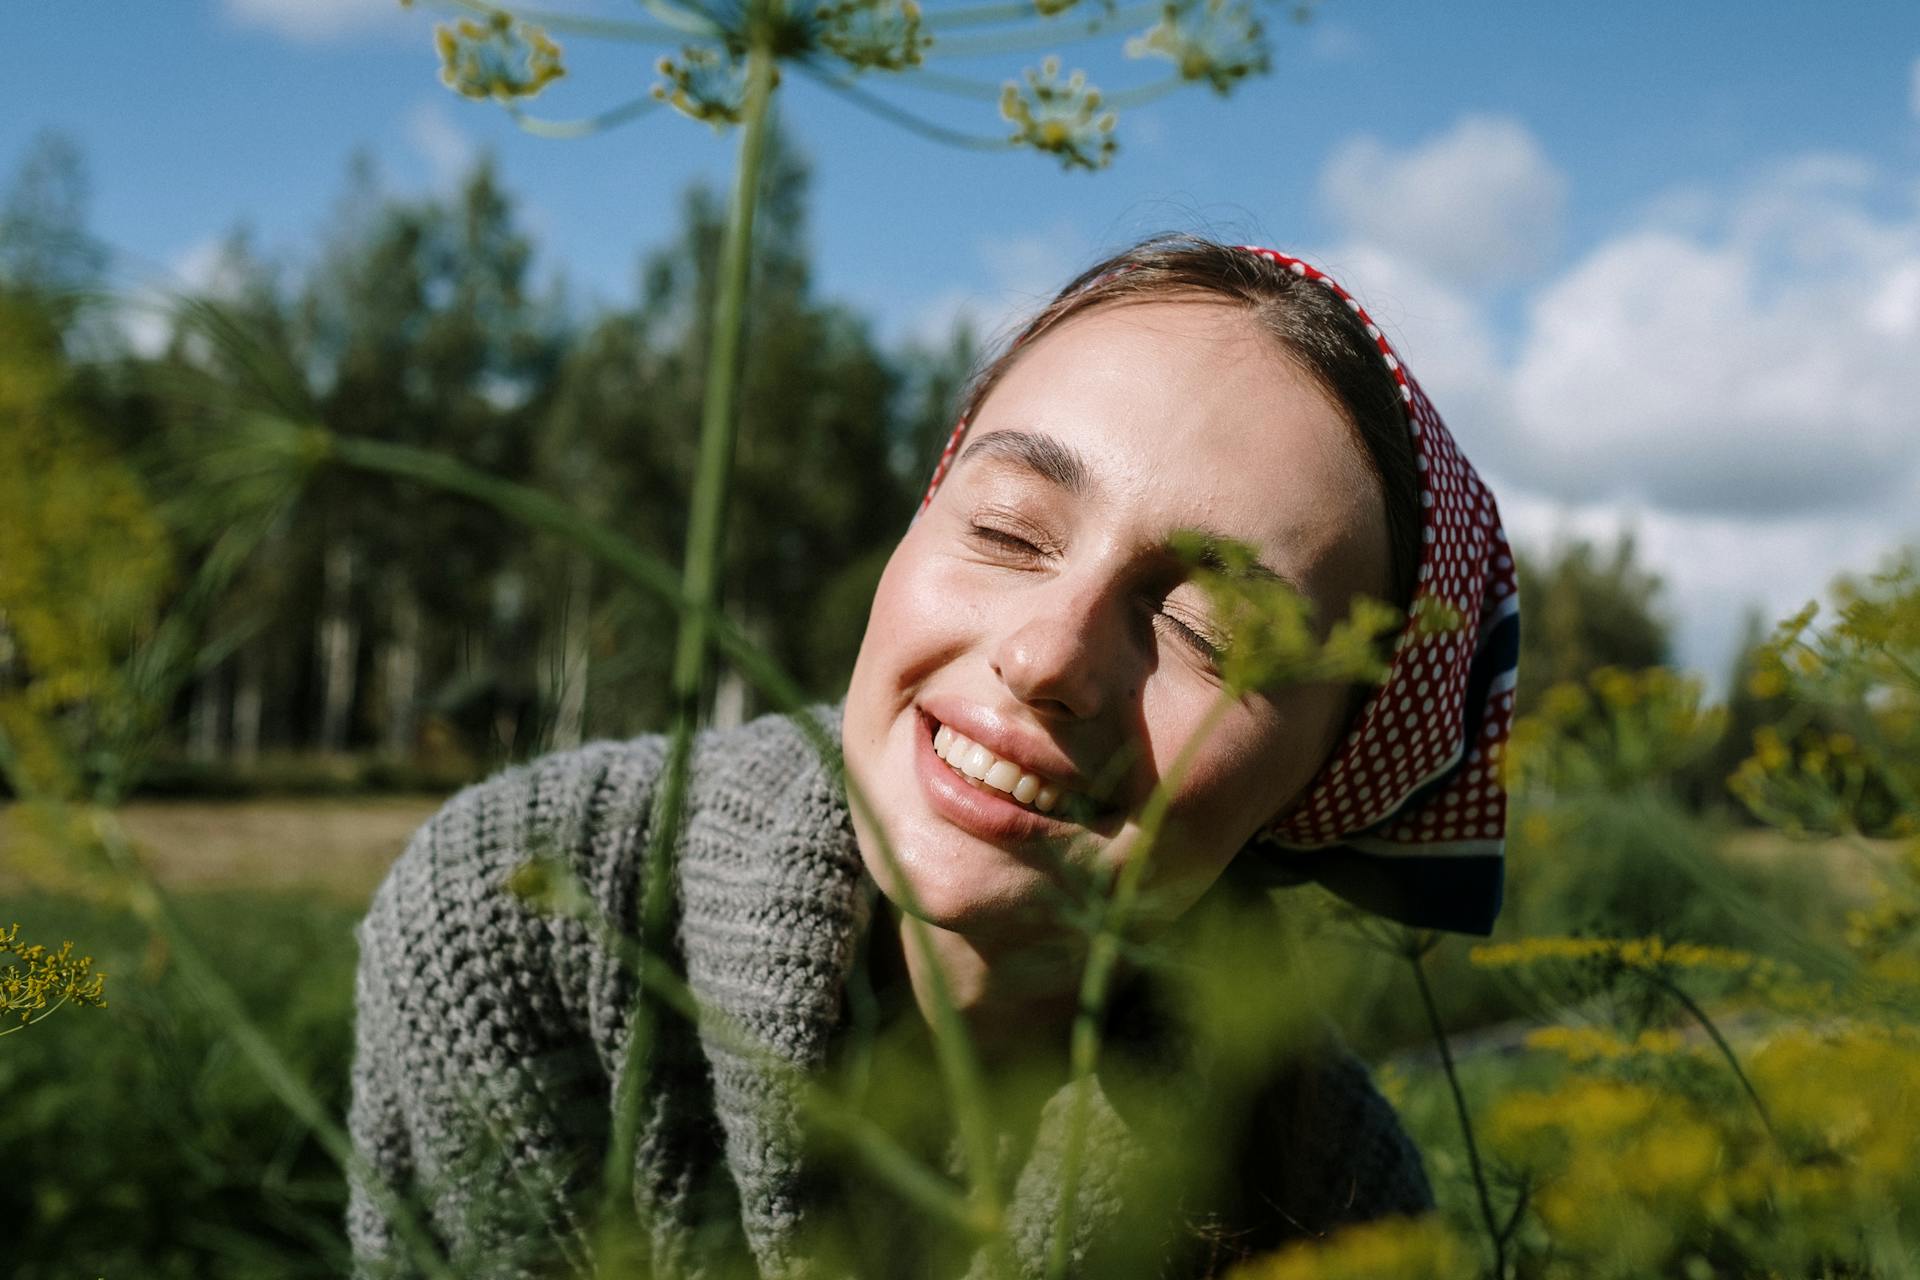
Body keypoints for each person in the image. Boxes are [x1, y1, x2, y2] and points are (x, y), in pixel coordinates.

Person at [346, 235, 1520, 1279]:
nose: (1048, 653)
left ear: (1324, 775)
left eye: (1208, 630)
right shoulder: (526, 912)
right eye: (1008, 528)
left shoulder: (1340, 1189)